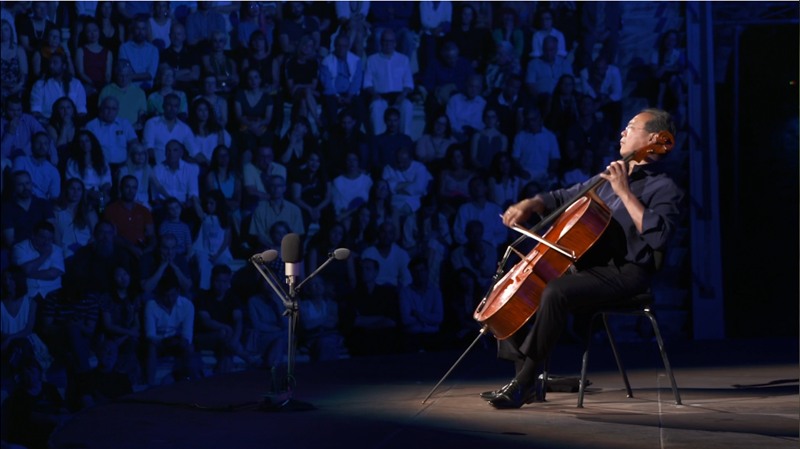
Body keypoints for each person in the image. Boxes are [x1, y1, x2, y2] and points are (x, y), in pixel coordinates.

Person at [483, 108, 684, 409]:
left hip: (626, 273)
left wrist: (624, 193)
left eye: (631, 127)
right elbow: (566, 196)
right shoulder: (609, 177)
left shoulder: (664, 187)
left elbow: (660, 237)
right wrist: (532, 202)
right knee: (520, 287)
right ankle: (527, 378)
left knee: (556, 291)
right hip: (589, 266)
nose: (623, 132)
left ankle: (525, 381)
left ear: (654, 138)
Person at [143, 266, 199, 386]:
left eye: (173, 295)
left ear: (178, 292)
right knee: (151, 347)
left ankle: (187, 382)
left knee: (189, 347)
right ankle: (150, 384)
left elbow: (187, 335)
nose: (169, 299)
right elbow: (150, 335)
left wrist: (177, 341)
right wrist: (164, 341)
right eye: (166, 296)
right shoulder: (151, 305)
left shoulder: (187, 305)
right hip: (158, 343)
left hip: (177, 341)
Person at [194, 264, 252, 373]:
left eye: (224, 282)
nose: (221, 285)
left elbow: (238, 320)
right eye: (218, 281)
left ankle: (224, 373)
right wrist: (225, 327)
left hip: (226, 339)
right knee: (223, 333)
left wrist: (235, 339)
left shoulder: (232, 297)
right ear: (212, 280)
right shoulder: (203, 296)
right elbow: (206, 321)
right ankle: (247, 357)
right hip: (205, 336)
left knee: (226, 348)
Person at [363, 29, 414, 136]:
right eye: (385, 41)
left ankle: (405, 139)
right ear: (381, 42)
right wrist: (375, 94)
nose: (388, 44)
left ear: (395, 43)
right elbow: (367, 83)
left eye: (391, 41)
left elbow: (408, 83)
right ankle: (379, 140)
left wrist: (403, 95)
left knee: (407, 106)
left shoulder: (403, 59)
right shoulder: (372, 60)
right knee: (376, 107)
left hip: (399, 96)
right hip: (380, 97)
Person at [103, 174, 156, 259]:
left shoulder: (144, 210)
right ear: (121, 188)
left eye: (134, 188)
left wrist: (148, 249)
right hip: (120, 250)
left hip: (142, 249)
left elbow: (151, 235)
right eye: (127, 187)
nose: (131, 191)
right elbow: (112, 236)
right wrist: (130, 247)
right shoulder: (111, 209)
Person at [398, 256, 444, 352]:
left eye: (422, 270)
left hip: (433, 335)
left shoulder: (435, 291)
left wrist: (418, 314)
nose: (419, 274)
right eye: (416, 271)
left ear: (427, 271)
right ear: (411, 273)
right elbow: (405, 320)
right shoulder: (405, 292)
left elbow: (439, 318)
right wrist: (428, 319)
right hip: (412, 335)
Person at [30, 53, 87, 123]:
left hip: (72, 125)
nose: (51, 66)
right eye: (50, 63)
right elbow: (35, 111)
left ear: (64, 66)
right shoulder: (40, 85)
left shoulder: (76, 84)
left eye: (55, 63)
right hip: (47, 123)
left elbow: (81, 111)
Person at [85, 96, 138, 171]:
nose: (110, 112)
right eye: (107, 108)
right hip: (99, 166)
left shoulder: (124, 123)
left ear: (117, 110)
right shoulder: (91, 126)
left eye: (114, 109)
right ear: (101, 109)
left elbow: (134, 143)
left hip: (123, 166)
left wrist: (128, 161)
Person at [52, 178, 98, 259]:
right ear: (66, 190)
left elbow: (95, 233)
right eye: (72, 188)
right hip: (65, 250)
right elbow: (55, 235)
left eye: (79, 189)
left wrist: (86, 249)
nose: (75, 192)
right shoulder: (57, 211)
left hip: (86, 249)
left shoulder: (88, 211)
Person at [143, 93, 194, 165]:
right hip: (156, 166)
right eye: (169, 105)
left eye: (175, 106)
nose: (172, 109)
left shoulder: (184, 128)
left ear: (179, 108)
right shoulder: (152, 123)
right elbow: (148, 148)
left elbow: (194, 151)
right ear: (163, 106)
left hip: (177, 168)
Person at [98, 59, 147, 131]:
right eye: (121, 76)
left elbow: (142, 114)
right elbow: (101, 113)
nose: (124, 79)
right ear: (116, 75)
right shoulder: (107, 90)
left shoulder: (140, 92)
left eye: (127, 76)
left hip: (132, 130)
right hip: (110, 129)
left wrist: (137, 125)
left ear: (131, 75)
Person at [11, 132, 60, 202]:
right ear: (32, 145)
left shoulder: (53, 171)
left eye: (45, 143)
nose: (42, 146)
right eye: (38, 143)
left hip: (40, 203)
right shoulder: (21, 160)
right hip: (20, 199)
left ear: (49, 147)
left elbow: (54, 197)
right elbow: (15, 184)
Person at [159, 22, 201, 99]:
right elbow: (166, 75)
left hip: (189, 91)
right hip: (169, 92)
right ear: (169, 36)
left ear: (184, 36)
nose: (176, 37)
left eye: (179, 34)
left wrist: (173, 76)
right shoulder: (163, 54)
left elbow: (195, 76)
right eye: (173, 34)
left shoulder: (193, 53)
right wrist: (187, 71)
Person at [74, 20, 114, 96]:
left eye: (95, 30)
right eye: (89, 31)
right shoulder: (80, 50)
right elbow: (81, 72)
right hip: (86, 85)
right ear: (85, 34)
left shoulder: (108, 52)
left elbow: (108, 74)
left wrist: (103, 86)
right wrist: (93, 83)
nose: (93, 34)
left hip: (103, 86)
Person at [119, 17, 159, 90]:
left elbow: (151, 75)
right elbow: (124, 73)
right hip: (129, 89)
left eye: (143, 29)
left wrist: (131, 76)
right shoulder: (124, 48)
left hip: (148, 89)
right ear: (133, 30)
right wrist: (143, 76)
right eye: (138, 28)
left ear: (146, 31)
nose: (140, 32)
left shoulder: (153, 50)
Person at [201, 31, 238, 97]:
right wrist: (229, 78)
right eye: (215, 41)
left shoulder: (231, 61)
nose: (218, 44)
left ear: (224, 42)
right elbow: (213, 76)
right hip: (212, 92)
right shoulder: (206, 58)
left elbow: (235, 79)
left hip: (228, 92)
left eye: (220, 41)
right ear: (211, 43)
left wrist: (229, 86)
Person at [0, 19, 28, 103]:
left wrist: (17, 87)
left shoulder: (19, 50)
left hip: (16, 88)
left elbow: (24, 73)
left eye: (6, 29)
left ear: (11, 31)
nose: (3, 32)